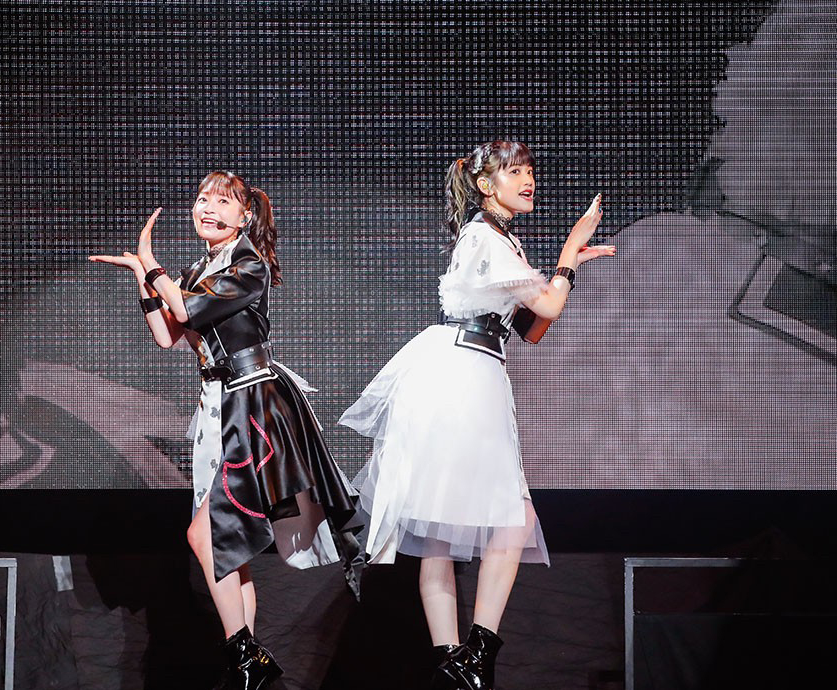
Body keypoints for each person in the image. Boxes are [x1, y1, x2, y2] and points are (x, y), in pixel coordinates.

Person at [339, 141, 615, 690]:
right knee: (505, 520)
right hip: (462, 375)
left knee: (452, 529)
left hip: (477, 369)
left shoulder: (500, 239)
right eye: (515, 171)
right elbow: (548, 305)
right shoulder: (484, 237)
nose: (528, 179)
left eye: (530, 169)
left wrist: (565, 272)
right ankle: (471, 656)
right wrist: (569, 251)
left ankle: (459, 662)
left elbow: (531, 329)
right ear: (487, 186)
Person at [89, 171, 362, 690]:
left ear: (244, 216)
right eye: (202, 199)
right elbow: (168, 333)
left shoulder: (248, 265)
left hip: (253, 404)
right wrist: (143, 277)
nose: (207, 208)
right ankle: (248, 668)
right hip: (215, 404)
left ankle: (247, 655)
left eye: (221, 201)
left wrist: (151, 264)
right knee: (228, 546)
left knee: (203, 534)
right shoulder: (198, 269)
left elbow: (185, 307)